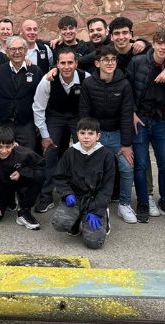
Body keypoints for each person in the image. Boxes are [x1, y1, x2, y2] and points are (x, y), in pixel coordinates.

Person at [126, 29, 165, 222]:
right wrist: (132, 112)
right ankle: (143, 203)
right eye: (159, 43)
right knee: (141, 164)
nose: (162, 47)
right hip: (140, 118)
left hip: (160, 118)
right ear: (153, 43)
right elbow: (127, 89)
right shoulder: (137, 62)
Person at [79, 46, 136, 223]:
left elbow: (126, 115)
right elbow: (85, 113)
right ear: (97, 63)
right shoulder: (88, 84)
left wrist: (126, 145)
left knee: (127, 166)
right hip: (97, 134)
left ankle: (124, 204)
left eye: (113, 59)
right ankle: (92, 202)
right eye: (105, 59)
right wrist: (89, 138)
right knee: (91, 168)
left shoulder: (124, 84)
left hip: (117, 134)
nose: (110, 63)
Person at [32, 48, 89, 213]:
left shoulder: (86, 78)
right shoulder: (47, 81)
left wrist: (90, 130)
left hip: (78, 117)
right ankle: (46, 195)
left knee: (83, 153)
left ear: (76, 63)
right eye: (62, 63)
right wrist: (45, 136)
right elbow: (38, 108)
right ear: (57, 64)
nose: (66, 66)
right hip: (55, 116)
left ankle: (80, 192)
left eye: (70, 62)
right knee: (49, 152)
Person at [51, 117, 116, 249]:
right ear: (77, 134)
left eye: (91, 133)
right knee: (59, 223)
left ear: (98, 136)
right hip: (75, 198)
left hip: (95, 201)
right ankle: (77, 220)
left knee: (94, 243)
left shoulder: (107, 155)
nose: (86, 137)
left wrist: (97, 210)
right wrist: (67, 193)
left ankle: (103, 215)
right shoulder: (70, 153)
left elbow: (107, 187)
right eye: (82, 133)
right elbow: (59, 177)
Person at [0, 126, 44, 230]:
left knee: (39, 175)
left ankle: (24, 211)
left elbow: (41, 164)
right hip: (1, 185)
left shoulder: (22, 152)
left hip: (17, 180)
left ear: (14, 144)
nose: (4, 151)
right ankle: (10, 198)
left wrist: (21, 171)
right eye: (0, 147)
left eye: (8, 147)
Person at [0, 36, 42, 150]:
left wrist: (38, 123)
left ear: (26, 51)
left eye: (20, 48)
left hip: (27, 124)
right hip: (3, 124)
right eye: (13, 49)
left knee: (27, 155)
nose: (17, 52)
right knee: (4, 154)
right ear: (7, 52)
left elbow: (41, 99)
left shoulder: (35, 71)